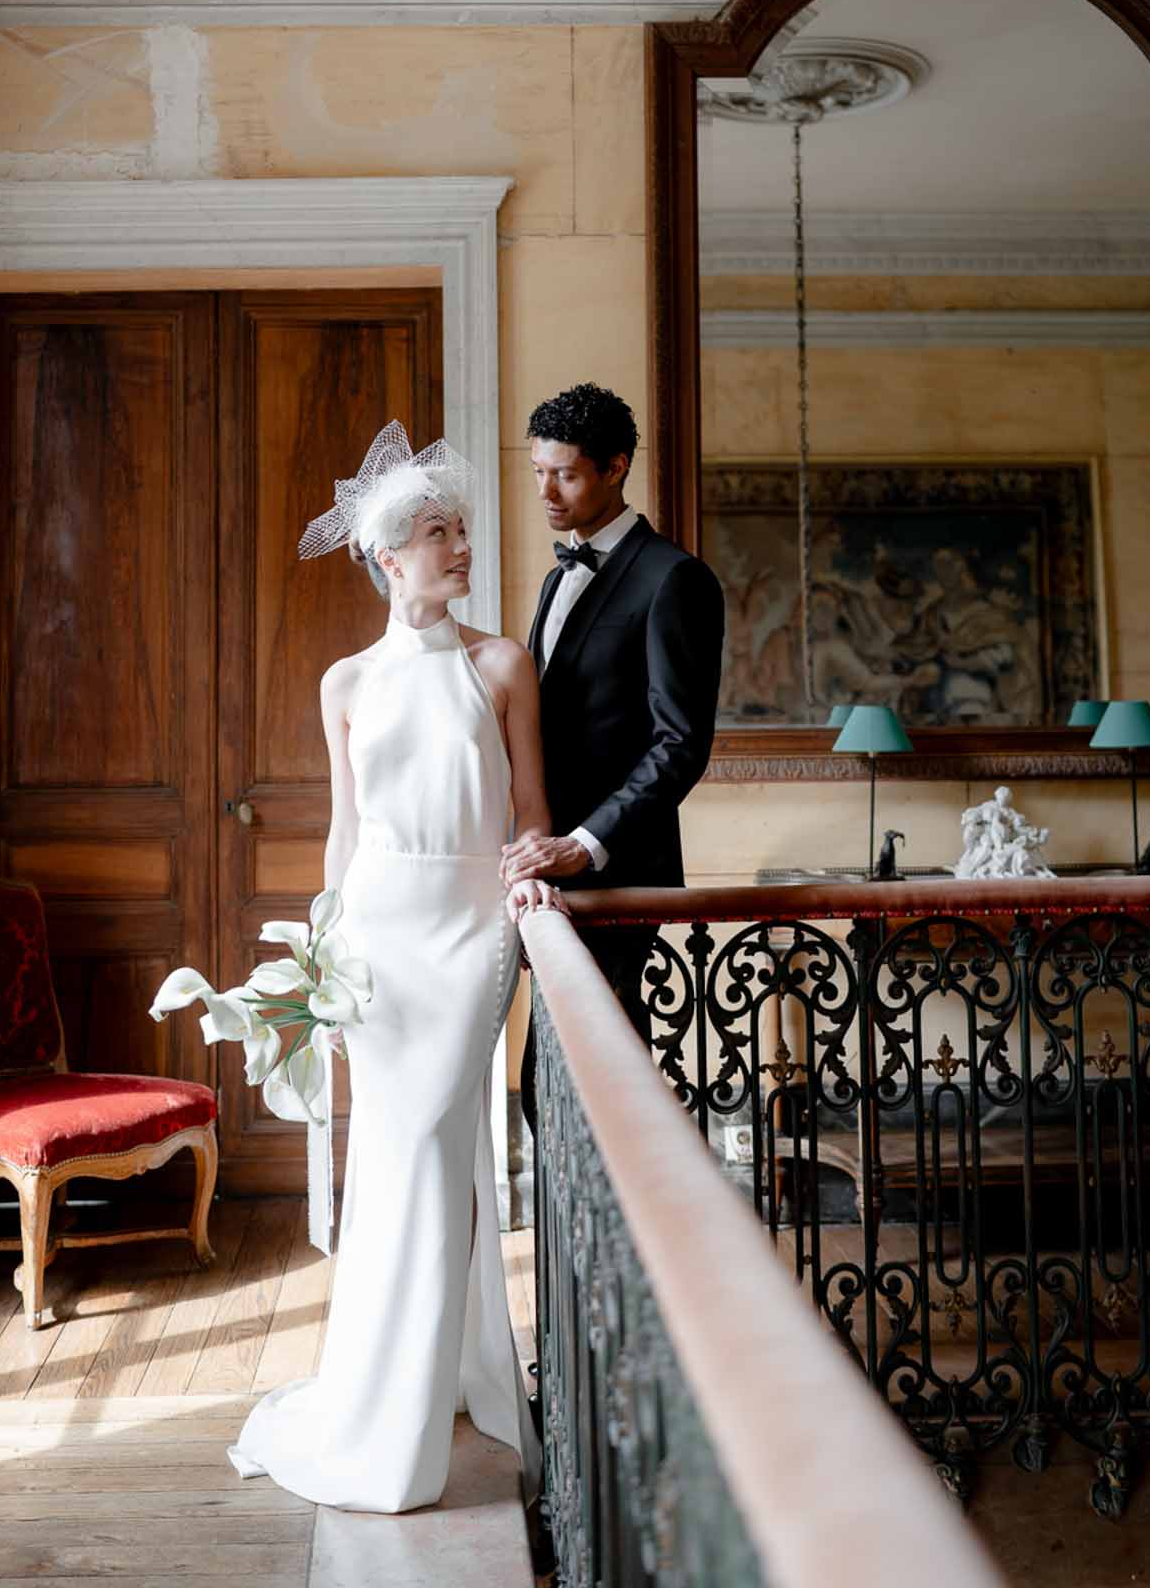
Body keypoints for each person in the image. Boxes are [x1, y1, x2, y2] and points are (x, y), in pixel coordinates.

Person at [230, 423, 554, 1514]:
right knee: (394, 1164)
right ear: (385, 557)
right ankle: (385, 1395)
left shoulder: (502, 663)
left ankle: (412, 1420)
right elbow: (346, 829)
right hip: (374, 935)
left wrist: (530, 888)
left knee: (427, 1147)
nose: (459, 546)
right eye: (433, 533)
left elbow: (533, 818)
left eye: (461, 528)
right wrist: (322, 948)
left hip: (467, 939)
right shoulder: (346, 681)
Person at [502, 383, 725, 1050]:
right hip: (547, 875)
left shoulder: (673, 578)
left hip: (618, 876)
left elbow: (679, 745)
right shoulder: (555, 579)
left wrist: (584, 844)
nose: (546, 492)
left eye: (565, 474)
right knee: (551, 1088)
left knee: (600, 1080)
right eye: (538, 472)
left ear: (617, 466)